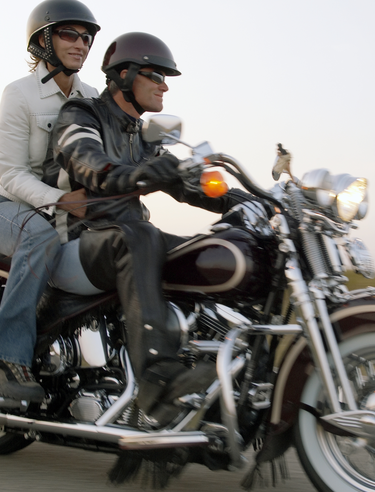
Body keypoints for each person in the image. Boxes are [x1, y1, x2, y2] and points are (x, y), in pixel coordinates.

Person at [46, 32, 257, 425]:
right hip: (77, 242)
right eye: (155, 75)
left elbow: (186, 185)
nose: (164, 85)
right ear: (124, 75)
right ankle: (157, 380)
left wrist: (247, 200)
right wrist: (139, 173)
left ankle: (220, 365)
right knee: (143, 235)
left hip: (122, 240)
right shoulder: (82, 112)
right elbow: (86, 161)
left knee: (213, 250)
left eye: (166, 77)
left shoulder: (143, 138)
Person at [0, 0, 101, 402]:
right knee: (41, 239)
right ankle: (3, 357)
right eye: (69, 34)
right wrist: (60, 200)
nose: (80, 44)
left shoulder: (93, 96)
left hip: (62, 211)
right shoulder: (20, 93)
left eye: (87, 37)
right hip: (3, 208)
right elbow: (10, 172)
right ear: (43, 40)